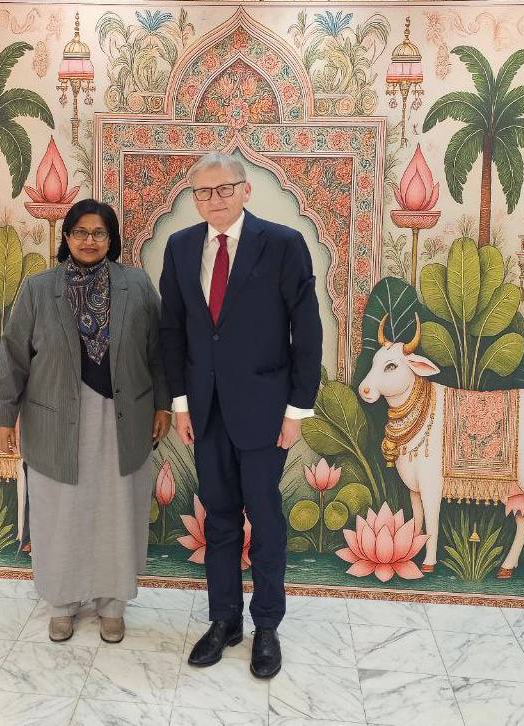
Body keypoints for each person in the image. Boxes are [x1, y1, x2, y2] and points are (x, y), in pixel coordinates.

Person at [159, 153, 322, 678]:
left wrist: (296, 410)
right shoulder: (181, 248)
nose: (215, 199)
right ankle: (224, 619)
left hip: (265, 412)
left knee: (266, 520)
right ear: (194, 198)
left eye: (224, 189)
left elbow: (307, 332)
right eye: (203, 192)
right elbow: (173, 331)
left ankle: (266, 625)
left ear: (245, 190)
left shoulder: (283, 244)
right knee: (220, 517)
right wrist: (181, 403)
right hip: (204, 411)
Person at [0, 198, 172, 645]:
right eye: (81, 232)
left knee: (116, 509)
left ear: (112, 239)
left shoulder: (136, 285)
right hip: (54, 421)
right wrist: (4, 415)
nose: (90, 241)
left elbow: (159, 352)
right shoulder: (38, 289)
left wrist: (163, 405)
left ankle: (112, 605)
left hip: (122, 419)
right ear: (66, 237)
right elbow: (13, 355)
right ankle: (62, 604)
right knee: (61, 511)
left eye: (99, 233)